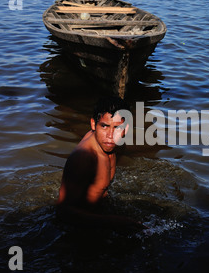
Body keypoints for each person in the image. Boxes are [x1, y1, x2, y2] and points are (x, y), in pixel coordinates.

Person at [57, 96, 145, 231]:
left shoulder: (108, 143)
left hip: (97, 217)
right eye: (104, 126)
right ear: (93, 124)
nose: (110, 135)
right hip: (78, 231)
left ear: (125, 129)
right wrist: (113, 222)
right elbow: (63, 212)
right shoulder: (84, 157)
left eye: (117, 128)